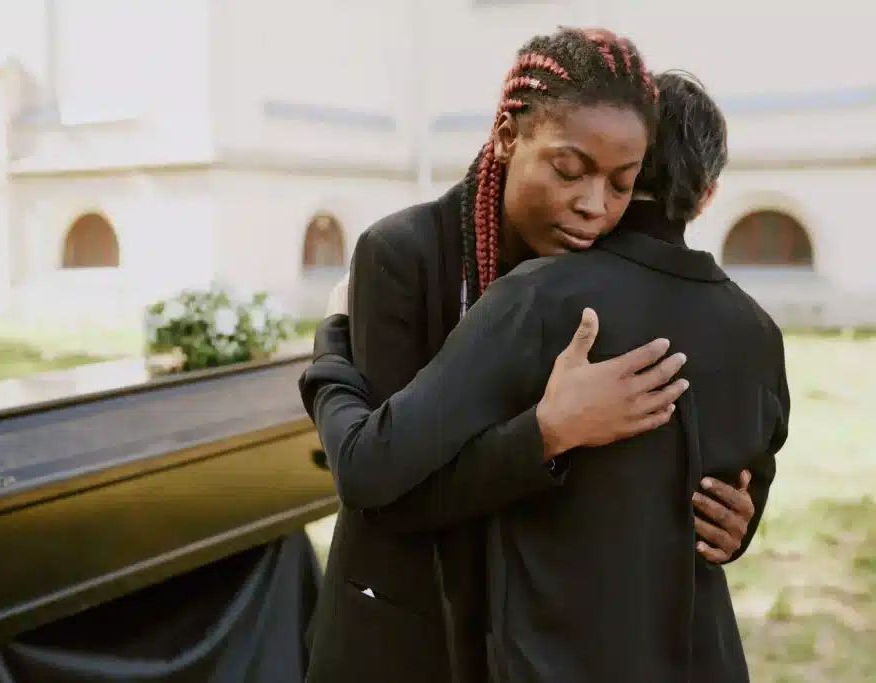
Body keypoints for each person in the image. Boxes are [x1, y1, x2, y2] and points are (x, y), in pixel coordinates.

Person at [302, 70, 789, 682]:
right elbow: (745, 480)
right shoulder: (759, 331)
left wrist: (329, 352)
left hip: (556, 657)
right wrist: (737, 523)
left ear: (632, 167)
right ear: (709, 193)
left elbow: (379, 470)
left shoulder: (539, 299)